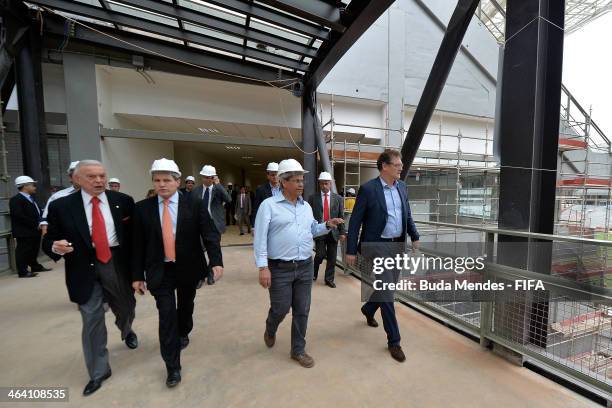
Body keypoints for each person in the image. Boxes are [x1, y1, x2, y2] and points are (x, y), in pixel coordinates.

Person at [42, 160, 137, 396]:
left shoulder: (122, 202)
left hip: (116, 263)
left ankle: (126, 329)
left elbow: (136, 238)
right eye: (91, 176)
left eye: (102, 176)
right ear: (76, 179)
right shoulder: (61, 206)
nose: (99, 181)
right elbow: (48, 238)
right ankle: (98, 371)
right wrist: (55, 246)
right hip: (82, 266)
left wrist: (139, 272)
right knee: (92, 319)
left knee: (125, 307)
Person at [131, 158, 223, 388]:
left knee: (186, 307)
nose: (161, 185)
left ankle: (184, 331)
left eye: (166, 180)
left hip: (188, 267)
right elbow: (136, 245)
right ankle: (172, 367)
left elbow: (210, 233)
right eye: (157, 180)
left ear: (177, 181)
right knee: (166, 316)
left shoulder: (193, 204)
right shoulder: (142, 209)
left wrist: (216, 261)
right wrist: (136, 275)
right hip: (159, 270)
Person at [254, 159, 343, 368]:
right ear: (283, 182)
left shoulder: (306, 208)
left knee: (302, 309)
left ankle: (298, 350)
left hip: (304, 266)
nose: (301, 184)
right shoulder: (269, 206)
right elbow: (260, 238)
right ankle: (271, 326)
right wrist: (262, 267)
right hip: (279, 268)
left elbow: (312, 229)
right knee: (281, 308)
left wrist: (327, 225)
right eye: (296, 180)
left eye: (302, 180)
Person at [345, 149, 419, 363]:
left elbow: (407, 214)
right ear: (384, 166)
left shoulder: (402, 187)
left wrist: (414, 236)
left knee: (387, 287)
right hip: (376, 246)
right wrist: (350, 250)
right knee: (387, 293)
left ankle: (368, 309)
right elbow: (356, 221)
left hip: (397, 246)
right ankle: (394, 341)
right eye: (397, 164)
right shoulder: (368, 189)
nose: (401, 167)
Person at [192, 165, 231, 286]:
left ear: (214, 178)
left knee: (213, 250)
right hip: (199, 224)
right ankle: (200, 275)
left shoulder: (218, 190)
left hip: (214, 224)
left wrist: (218, 185)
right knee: (198, 251)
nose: (207, 180)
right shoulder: (196, 191)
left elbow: (228, 199)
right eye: (205, 177)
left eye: (210, 177)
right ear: (202, 177)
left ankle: (210, 273)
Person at [307, 172, 346, 288]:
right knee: (320, 254)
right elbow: (309, 216)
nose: (324, 186)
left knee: (332, 258)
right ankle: (314, 273)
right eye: (322, 184)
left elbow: (341, 216)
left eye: (326, 183)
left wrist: (342, 232)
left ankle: (329, 279)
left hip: (333, 232)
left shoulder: (338, 198)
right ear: (319, 184)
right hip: (320, 231)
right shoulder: (312, 198)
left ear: (330, 183)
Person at [10, 176, 48, 278]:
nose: (34, 187)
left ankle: (35, 266)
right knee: (23, 250)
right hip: (24, 231)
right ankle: (22, 271)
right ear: (25, 186)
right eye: (32, 185)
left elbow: (37, 212)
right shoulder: (16, 200)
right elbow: (18, 216)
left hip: (34, 230)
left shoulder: (31, 198)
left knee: (33, 249)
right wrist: (35, 223)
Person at [40, 161, 80, 235]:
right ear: (70, 178)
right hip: (66, 241)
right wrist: (48, 243)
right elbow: (45, 222)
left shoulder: (99, 195)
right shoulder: (58, 196)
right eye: (77, 176)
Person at [252, 162, 281, 228]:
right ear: (268, 176)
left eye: (277, 174)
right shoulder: (261, 190)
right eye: (272, 175)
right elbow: (256, 208)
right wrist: (253, 226)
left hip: (281, 224)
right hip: (267, 224)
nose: (275, 177)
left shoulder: (285, 189)